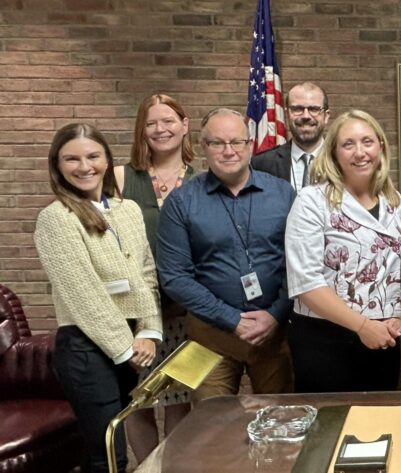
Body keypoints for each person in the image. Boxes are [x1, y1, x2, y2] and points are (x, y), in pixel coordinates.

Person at [35, 123, 162, 472]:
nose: (84, 166)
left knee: (114, 447)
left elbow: (145, 275)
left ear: (107, 160)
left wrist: (149, 331)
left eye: (93, 156)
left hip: (130, 341)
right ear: (57, 166)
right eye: (71, 159)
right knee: (106, 456)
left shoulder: (129, 210)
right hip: (86, 348)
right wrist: (127, 350)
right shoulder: (56, 218)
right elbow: (83, 295)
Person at [157, 108, 295, 400]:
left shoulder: (283, 195)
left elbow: (299, 263)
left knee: (282, 416)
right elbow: (175, 276)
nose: (228, 151)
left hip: (275, 331)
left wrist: (275, 314)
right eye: (217, 143)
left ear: (250, 145)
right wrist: (231, 319)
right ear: (202, 147)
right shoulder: (181, 202)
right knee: (210, 427)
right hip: (211, 334)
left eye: (236, 142)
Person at [285, 110, 401, 392]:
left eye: (367, 142)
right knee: (330, 427)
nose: (360, 152)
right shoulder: (312, 201)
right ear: (333, 153)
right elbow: (306, 283)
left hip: (385, 336)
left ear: (380, 147)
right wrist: (363, 326)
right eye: (348, 144)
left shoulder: (394, 203)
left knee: (379, 425)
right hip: (325, 338)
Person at [113, 93, 197, 461]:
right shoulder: (118, 176)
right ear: (141, 130)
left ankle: (174, 467)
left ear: (185, 126)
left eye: (168, 121)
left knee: (179, 395)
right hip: (133, 310)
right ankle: (148, 468)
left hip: (183, 307)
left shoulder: (202, 180)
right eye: (151, 123)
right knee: (138, 399)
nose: (161, 129)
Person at [253, 82, 330, 191]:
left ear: (326, 116)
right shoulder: (261, 164)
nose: (306, 116)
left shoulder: (341, 161)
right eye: (297, 109)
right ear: (286, 114)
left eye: (314, 109)